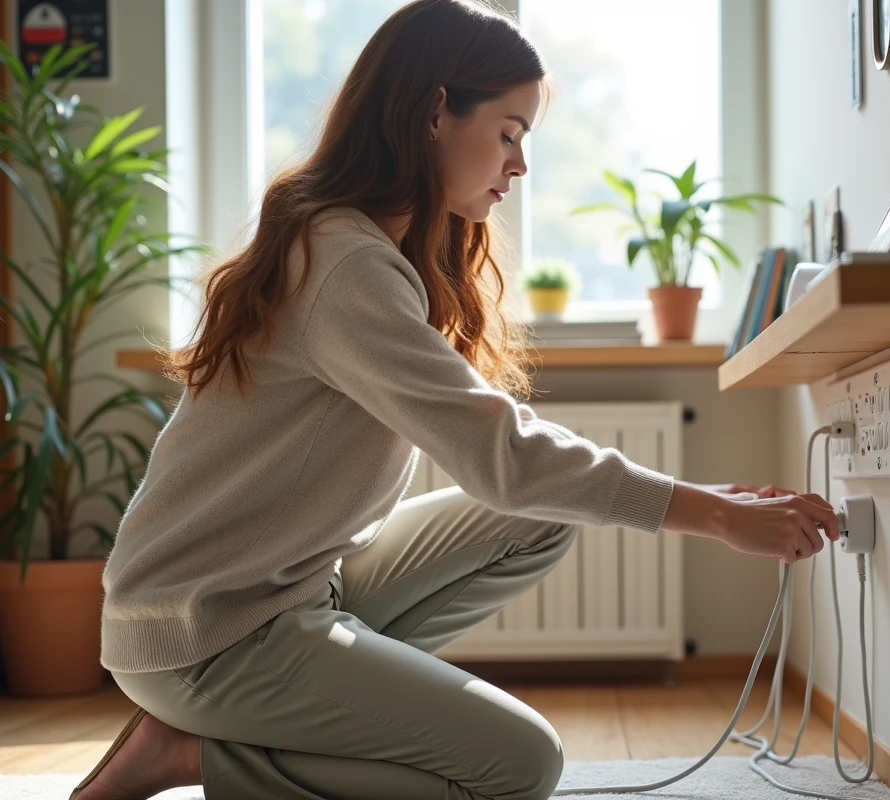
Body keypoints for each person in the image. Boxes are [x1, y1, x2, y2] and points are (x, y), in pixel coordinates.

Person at [72, 1, 839, 798]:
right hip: (208, 632)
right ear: (436, 110)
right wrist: (713, 515)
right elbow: (501, 453)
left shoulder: (370, 248)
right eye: (509, 133)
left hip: (286, 588)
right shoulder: (344, 265)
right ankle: (191, 753)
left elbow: (512, 474)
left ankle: (261, 718)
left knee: (540, 517)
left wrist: (708, 499)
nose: (520, 165)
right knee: (518, 764)